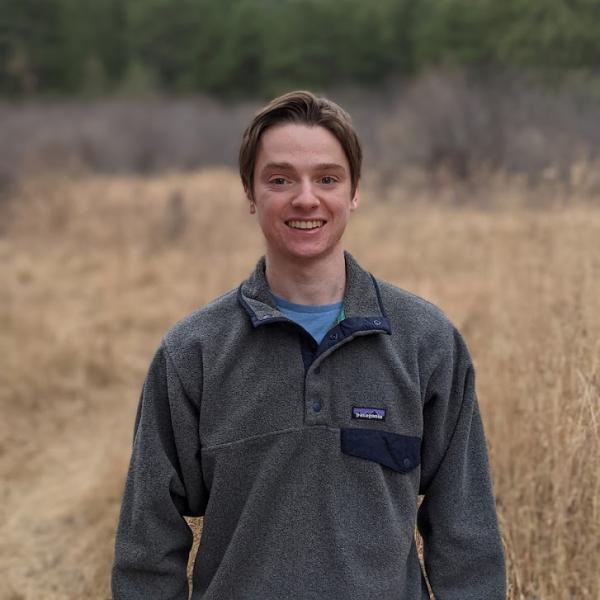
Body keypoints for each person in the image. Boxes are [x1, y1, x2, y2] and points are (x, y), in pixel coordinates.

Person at [111, 90, 506, 599]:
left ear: (354, 192)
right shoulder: (193, 353)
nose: (305, 198)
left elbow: (467, 540)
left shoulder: (426, 343)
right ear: (251, 195)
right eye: (279, 179)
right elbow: (147, 547)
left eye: (327, 178)